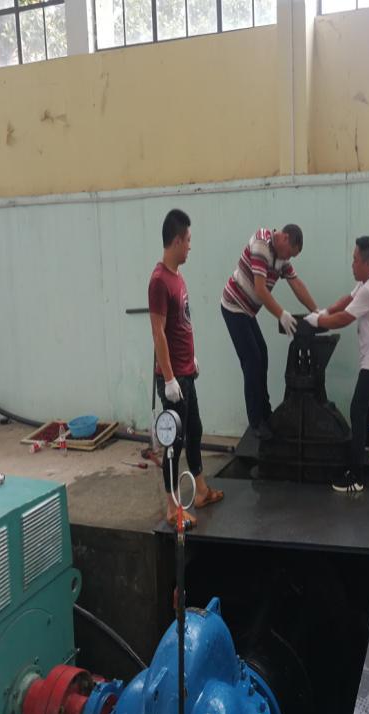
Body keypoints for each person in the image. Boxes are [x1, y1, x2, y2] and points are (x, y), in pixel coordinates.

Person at [149, 208, 223, 527]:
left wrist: (191, 360)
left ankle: (201, 490)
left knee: (195, 431)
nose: (191, 246)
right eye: (188, 240)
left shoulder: (177, 277)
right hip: (173, 379)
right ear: (177, 240)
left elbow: (182, 325)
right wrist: (169, 378)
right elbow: (158, 332)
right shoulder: (159, 282)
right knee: (174, 444)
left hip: (186, 372)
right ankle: (172, 507)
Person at [304, 236, 369, 492]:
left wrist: (319, 322)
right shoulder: (368, 282)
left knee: (357, 408)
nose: (352, 264)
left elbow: (345, 318)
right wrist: (324, 312)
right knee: (365, 403)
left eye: (355, 260)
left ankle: (356, 477)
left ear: (366, 263)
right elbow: (346, 301)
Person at [221, 225, 319, 439]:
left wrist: (317, 312)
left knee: (262, 355)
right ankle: (256, 421)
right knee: (252, 362)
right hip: (234, 307)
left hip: (248, 311)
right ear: (284, 237)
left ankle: (265, 413)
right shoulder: (262, 244)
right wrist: (281, 314)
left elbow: (297, 284)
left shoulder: (282, 257)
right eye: (289, 253)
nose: (288, 258)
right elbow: (260, 288)